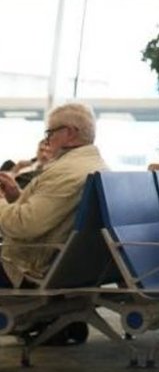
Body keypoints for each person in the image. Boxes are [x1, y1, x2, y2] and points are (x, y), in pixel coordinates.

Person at [0, 103, 109, 289]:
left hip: (24, 269)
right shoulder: (95, 165)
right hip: (68, 269)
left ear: (70, 133)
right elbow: (49, 213)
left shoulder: (66, 171)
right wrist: (16, 196)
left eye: (50, 133)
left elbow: (24, 225)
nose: (47, 140)